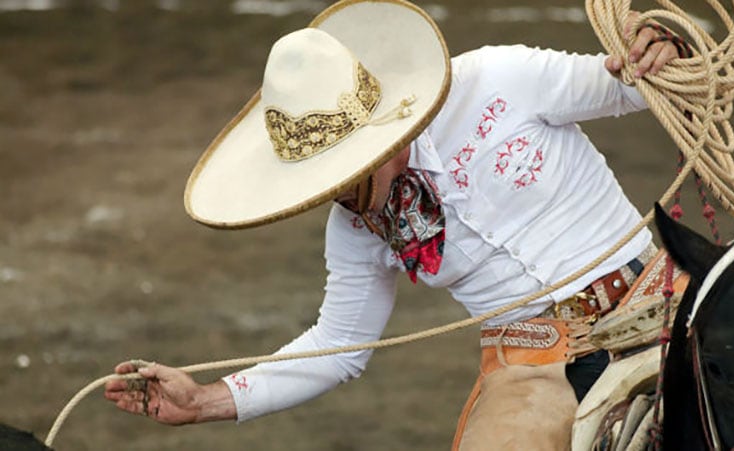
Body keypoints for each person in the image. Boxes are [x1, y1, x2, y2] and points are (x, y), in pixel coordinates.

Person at [103, 0, 684, 449]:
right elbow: (338, 346)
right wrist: (205, 401)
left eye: (343, 172)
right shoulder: (354, 229)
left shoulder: (497, 80)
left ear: (385, 131)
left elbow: (627, 87)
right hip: (531, 370)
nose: (338, 197)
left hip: (657, 302)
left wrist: (661, 53)